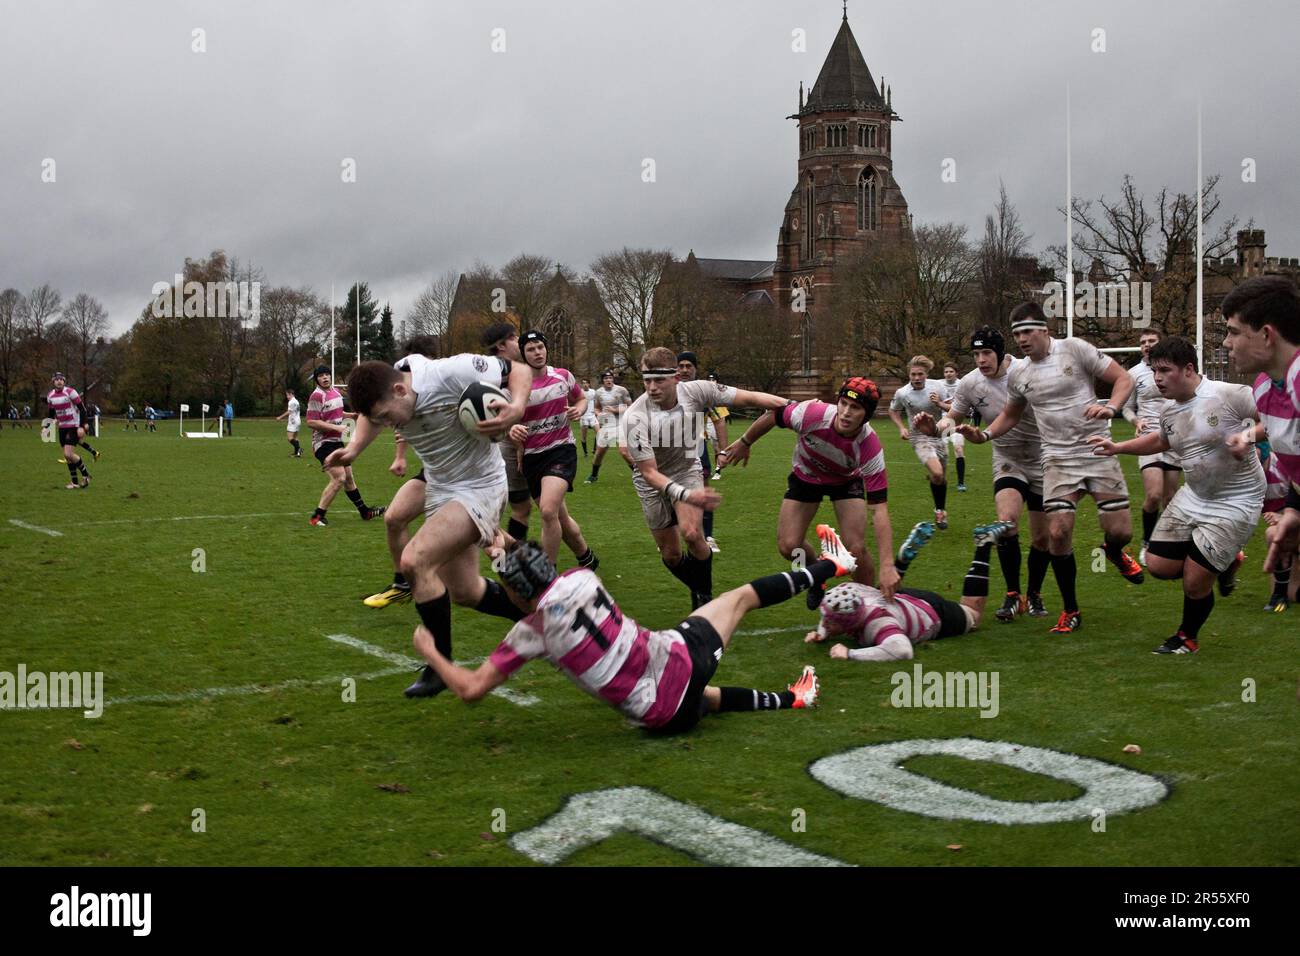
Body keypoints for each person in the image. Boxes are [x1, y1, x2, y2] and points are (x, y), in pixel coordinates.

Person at [410, 525, 861, 733]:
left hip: (660, 715)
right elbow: (532, 572)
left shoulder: (531, 632)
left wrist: (431, 651)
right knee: (739, 599)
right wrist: (503, 546)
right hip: (681, 659)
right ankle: (829, 565)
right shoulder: (580, 578)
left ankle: (795, 697)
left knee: (703, 700)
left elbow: (471, 689)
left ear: (514, 594)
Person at [338, 353, 538, 699]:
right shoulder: (391, 389)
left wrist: (518, 406)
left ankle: (439, 664)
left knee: (416, 560)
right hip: (441, 487)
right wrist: (354, 448)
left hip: (481, 486)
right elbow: (370, 416)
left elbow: (518, 368)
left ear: (401, 390)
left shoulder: (449, 373)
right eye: (381, 420)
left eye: (388, 417)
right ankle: (538, 621)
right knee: (465, 592)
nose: (389, 425)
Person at [959, 302, 1142, 635]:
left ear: (1045, 329)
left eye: (1028, 331)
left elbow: (1123, 378)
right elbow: (1012, 414)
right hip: (1056, 458)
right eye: (1017, 334)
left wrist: (1112, 407)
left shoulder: (1075, 349)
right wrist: (984, 434)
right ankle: (1071, 609)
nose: (1023, 339)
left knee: (1121, 531)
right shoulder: (1020, 374)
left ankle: (1114, 552)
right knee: (1057, 533)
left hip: (1097, 450)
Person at [1090, 337, 1262, 654]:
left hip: (1237, 500)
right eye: (1154, 371)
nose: (1157, 379)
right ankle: (1223, 563)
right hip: (1194, 496)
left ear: (1188, 369)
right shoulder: (1169, 411)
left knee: (1195, 581)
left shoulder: (1230, 395)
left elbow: (1275, 418)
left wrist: (1247, 435)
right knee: (1157, 565)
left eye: (1164, 371)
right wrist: (1118, 447)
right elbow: (1161, 442)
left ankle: (1187, 637)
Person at [623, 347, 791, 609]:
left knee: (692, 534)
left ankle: (704, 596)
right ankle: (698, 586)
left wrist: (791, 406)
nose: (652, 387)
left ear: (676, 377)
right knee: (671, 555)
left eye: (659, 380)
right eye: (647, 380)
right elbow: (648, 472)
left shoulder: (697, 390)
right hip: (651, 483)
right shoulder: (635, 416)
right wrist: (687, 494)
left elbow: (748, 398)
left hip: (686, 469)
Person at [721, 376, 904, 608]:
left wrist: (887, 565)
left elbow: (879, 510)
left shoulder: (869, 446)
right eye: (844, 404)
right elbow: (773, 415)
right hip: (806, 477)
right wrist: (745, 441)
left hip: (845, 483)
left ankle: (868, 606)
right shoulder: (811, 414)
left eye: (855, 408)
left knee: (855, 548)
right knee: (788, 547)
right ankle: (817, 573)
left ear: (866, 416)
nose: (846, 412)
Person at [914, 326, 1052, 623]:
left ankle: (1035, 593)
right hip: (1007, 458)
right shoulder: (970, 383)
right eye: (975, 354)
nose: (980, 360)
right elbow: (952, 417)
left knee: (1042, 538)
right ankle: (1013, 594)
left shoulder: (1027, 371)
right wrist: (934, 429)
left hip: (1043, 457)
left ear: (1001, 353)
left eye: (986, 353)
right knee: (1007, 523)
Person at [806, 520, 1015, 661]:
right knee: (882, 593)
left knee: (973, 615)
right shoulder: (848, 591)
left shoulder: (878, 625)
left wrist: (850, 653)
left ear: (850, 622)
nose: (826, 622)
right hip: (896, 599)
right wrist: (822, 632)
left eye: (831, 622)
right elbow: (832, 609)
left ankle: (984, 544)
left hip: (933, 613)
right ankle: (900, 565)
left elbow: (902, 650)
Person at [1220, 276, 1300, 592]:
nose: (1227, 342)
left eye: (1234, 332)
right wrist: (1294, 507)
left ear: (1266, 335)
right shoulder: (1264, 388)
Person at [506, 330, 598, 568]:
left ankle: (548, 575)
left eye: (540, 347)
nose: (537, 353)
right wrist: (512, 429)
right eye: (531, 349)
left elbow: (581, 398)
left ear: (546, 348)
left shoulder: (563, 376)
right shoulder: (514, 387)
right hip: (531, 458)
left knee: (548, 511)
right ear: (523, 355)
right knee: (560, 517)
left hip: (561, 451)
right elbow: (506, 420)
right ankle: (586, 558)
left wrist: (579, 408)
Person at [1123, 330, 1183, 566]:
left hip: (1174, 438)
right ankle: (1147, 543)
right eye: (1142, 342)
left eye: (1151, 341)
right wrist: (1136, 421)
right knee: (1154, 494)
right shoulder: (1134, 374)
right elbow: (1127, 408)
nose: (1146, 345)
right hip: (1148, 438)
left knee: (1170, 498)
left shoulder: (1173, 369)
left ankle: (1167, 544)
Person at [305, 366, 383, 526]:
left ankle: (365, 512)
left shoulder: (336, 392)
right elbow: (311, 421)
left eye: (327, 374)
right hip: (322, 444)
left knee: (348, 478)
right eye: (321, 376)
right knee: (339, 477)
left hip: (337, 442)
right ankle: (317, 517)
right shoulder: (316, 396)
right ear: (317, 380)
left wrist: (351, 416)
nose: (325, 377)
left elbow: (337, 414)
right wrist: (336, 428)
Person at [889, 355, 951, 529]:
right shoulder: (902, 392)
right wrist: (902, 428)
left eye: (920, 374)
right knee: (938, 474)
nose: (916, 378)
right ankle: (940, 512)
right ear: (909, 374)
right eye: (913, 374)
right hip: (919, 438)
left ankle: (940, 509)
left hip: (938, 434)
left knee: (939, 477)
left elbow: (953, 408)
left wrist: (939, 403)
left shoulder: (938, 387)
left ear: (926, 374)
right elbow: (893, 411)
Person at [676, 352, 728, 553]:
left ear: (696, 369)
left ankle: (708, 536)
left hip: (697, 447)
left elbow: (719, 419)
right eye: (681, 366)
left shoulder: (704, 392)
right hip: (669, 450)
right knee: (668, 491)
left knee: (703, 491)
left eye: (689, 366)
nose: (685, 370)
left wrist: (723, 451)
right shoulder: (668, 389)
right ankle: (672, 535)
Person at [584, 370, 633, 483]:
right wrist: (598, 413)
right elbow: (596, 408)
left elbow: (630, 407)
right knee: (599, 454)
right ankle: (593, 476)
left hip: (621, 424)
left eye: (610, 378)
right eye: (606, 378)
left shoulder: (621, 390)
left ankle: (639, 476)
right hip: (607, 426)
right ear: (602, 381)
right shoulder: (599, 393)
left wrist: (615, 410)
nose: (609, 380)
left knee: (624, 452)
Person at [46, 372, 92, 489]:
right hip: (62, 427)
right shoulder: (50, 395)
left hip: (74, 426)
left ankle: (86, 475)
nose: (59, 381)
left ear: (64, 381)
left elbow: (82, 409)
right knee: (68, 456)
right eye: (57, 379)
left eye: (61, 379)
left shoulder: (71, 392)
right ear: (53, 381)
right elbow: (51, 414)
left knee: (68, 453)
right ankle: (75, 482)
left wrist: (82, 426)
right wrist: (47, 428)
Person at [937, 362, 968, 491]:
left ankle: (961, 483)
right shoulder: (938, 385)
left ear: (956, 373)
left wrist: (941, 403)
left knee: (959, 450)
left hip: (957, 421)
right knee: (943, 453)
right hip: (942, 422)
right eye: (946, 372)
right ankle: (941, 481)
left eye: (951, 371)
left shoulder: (962, 385)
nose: (948, 374)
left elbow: (962, 406)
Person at [274, 389, 301, 456]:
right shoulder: (296, 401)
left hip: (293, 422)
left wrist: (280, 417)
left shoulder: (291, 402)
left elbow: (289, 412)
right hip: (298, 420)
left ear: (290, 394)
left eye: (287, 395)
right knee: (295, 438)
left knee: (290, 438)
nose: (287, 396)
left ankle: (299, 449)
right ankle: (297, 453)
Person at [578, 378, 598, 456]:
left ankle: (594, 450)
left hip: (592, 415)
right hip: (584, 416)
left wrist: (596, 411)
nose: (585, 384)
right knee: (584, 436)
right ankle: (585, 452)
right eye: (583, 383)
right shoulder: (580, 392)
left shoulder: (593, 392)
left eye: (586, 383)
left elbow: (597, 402)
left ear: (589, 384)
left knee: (599, 433)